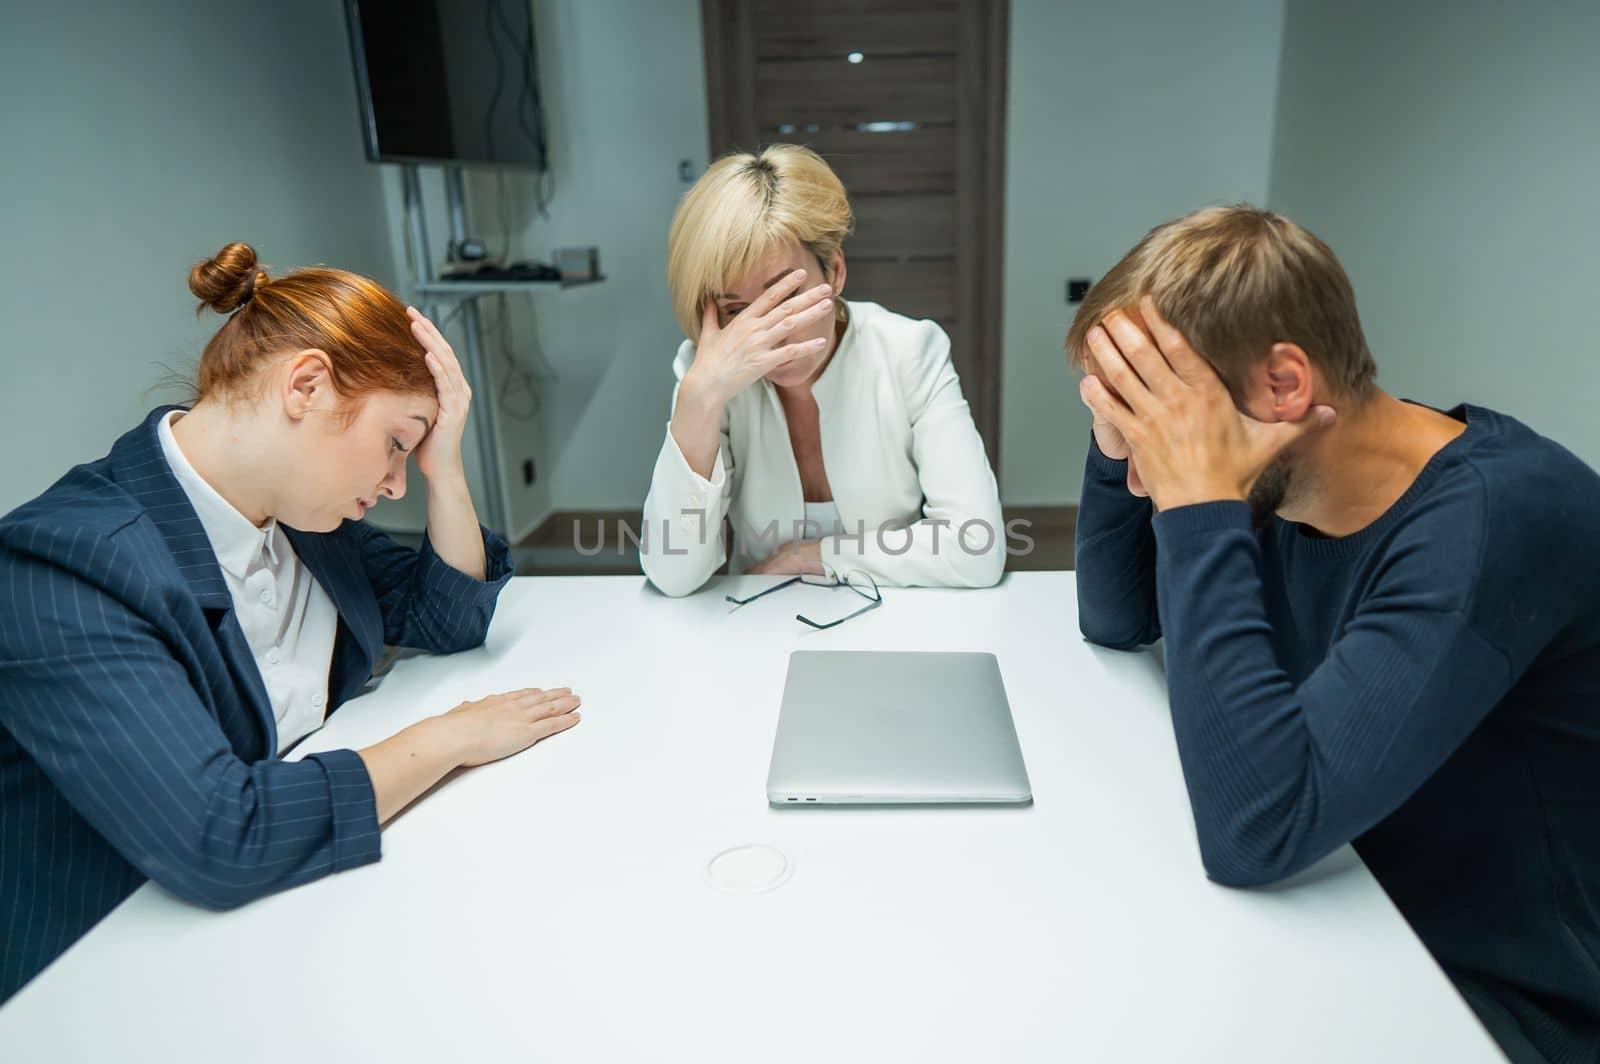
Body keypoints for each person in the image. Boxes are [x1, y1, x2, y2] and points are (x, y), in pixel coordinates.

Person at [1067, 205, 1599, 1064]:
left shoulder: (1497, 521)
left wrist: (1200, 503)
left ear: (1283, 386)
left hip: (1494, 994)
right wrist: (1115, 443)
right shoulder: (1286, 472)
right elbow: (1119, 619)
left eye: (1166, 426)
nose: (1143, 474)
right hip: (1352, 903)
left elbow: (1260, 828)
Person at [0, 244, 581, 1002]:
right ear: (305, 385)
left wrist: (448, 468)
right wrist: (451, 736)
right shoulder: (65, 567)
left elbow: (447, 617)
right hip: (101, 970)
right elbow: (216, 834)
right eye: (395, 444)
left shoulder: (297, 516)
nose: (396, 482)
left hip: (286, 921)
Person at [639, 144, 1005, 597]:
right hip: (757, 624)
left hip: (900, 615)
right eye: (738, 311)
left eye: (786, 298)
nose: (769, 334)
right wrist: (699, 401)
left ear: (834, 270)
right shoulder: (710, 375)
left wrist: (808, 558)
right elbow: (673, 576)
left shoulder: (910, 352)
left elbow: (977, 549)